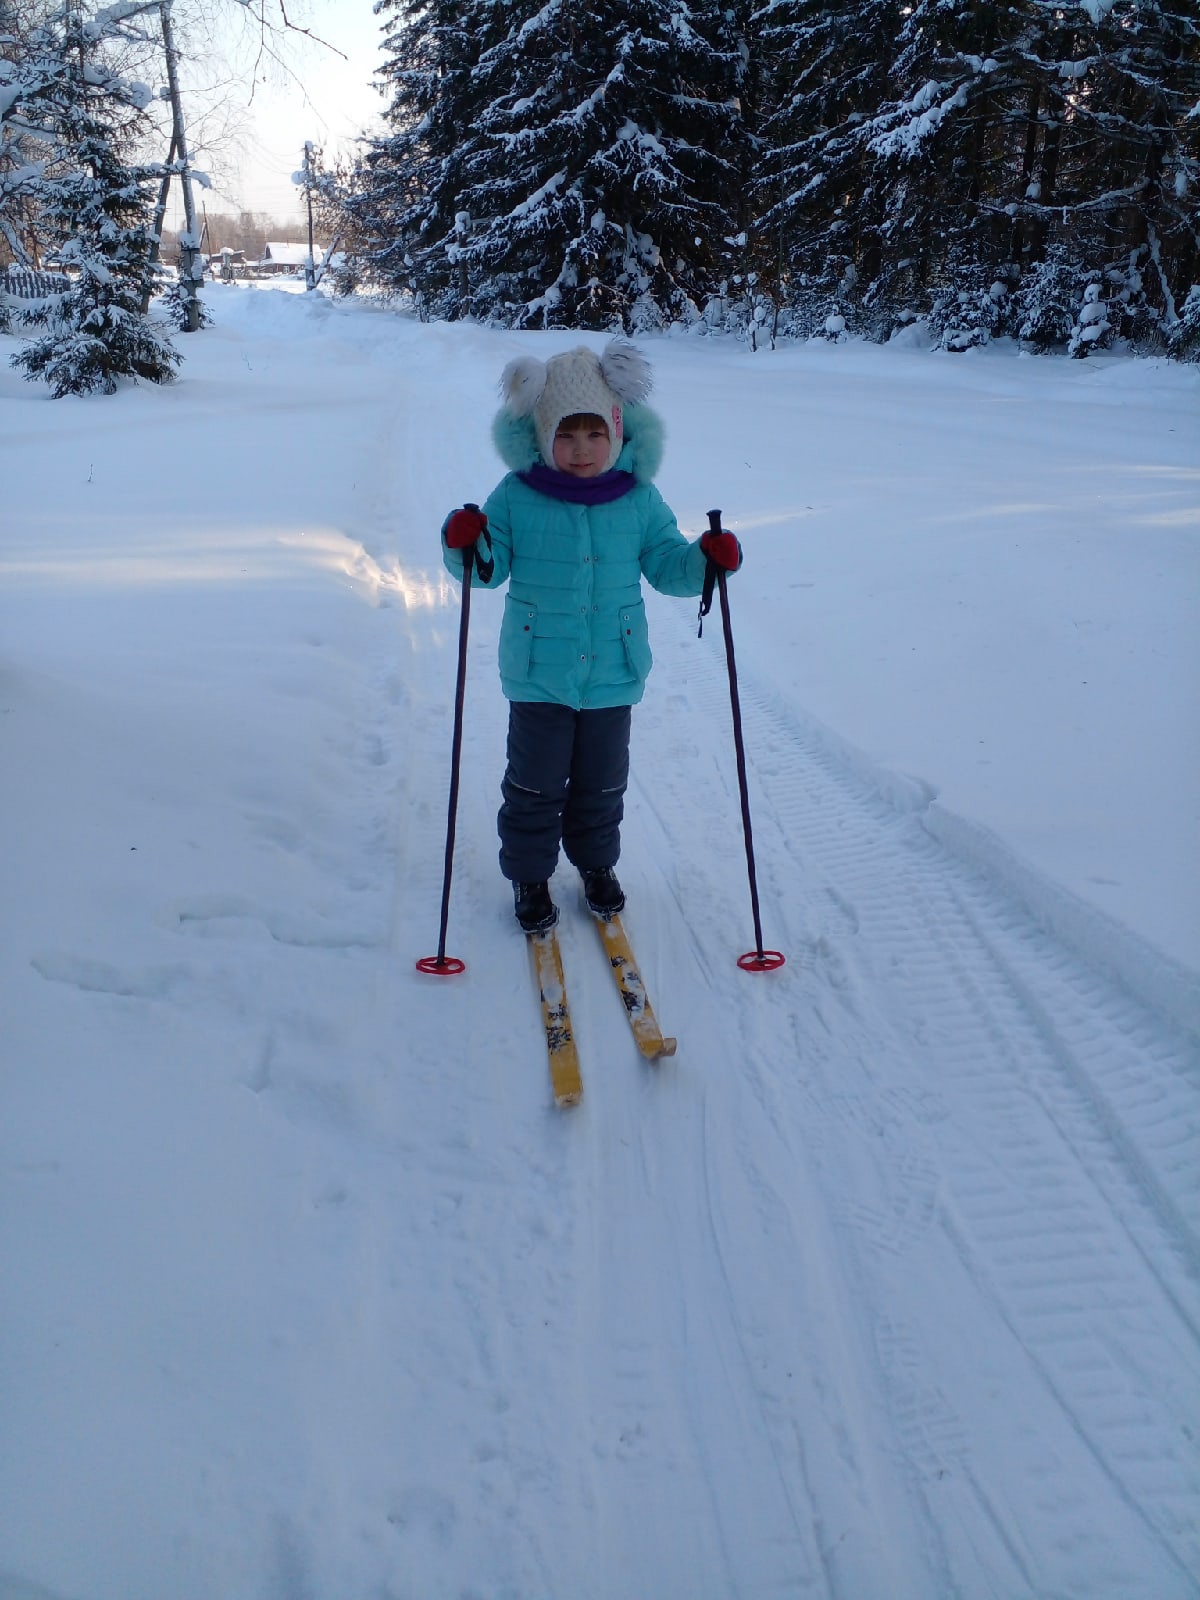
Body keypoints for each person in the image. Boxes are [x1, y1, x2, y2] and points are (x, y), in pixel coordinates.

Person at [442, 339, 742, 934]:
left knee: (603, 782)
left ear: (618, 431)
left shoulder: (637, 499)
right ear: (543, 434)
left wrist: (707, 561)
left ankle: (597, 866)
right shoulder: (518, 496)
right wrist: (465, 542)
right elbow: (488, 568)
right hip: (538, 673)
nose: (581, 450)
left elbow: (665, 565)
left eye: (594, 434)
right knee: (534, 783)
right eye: (566, 435)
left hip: (612, 670)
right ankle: (530, 874)